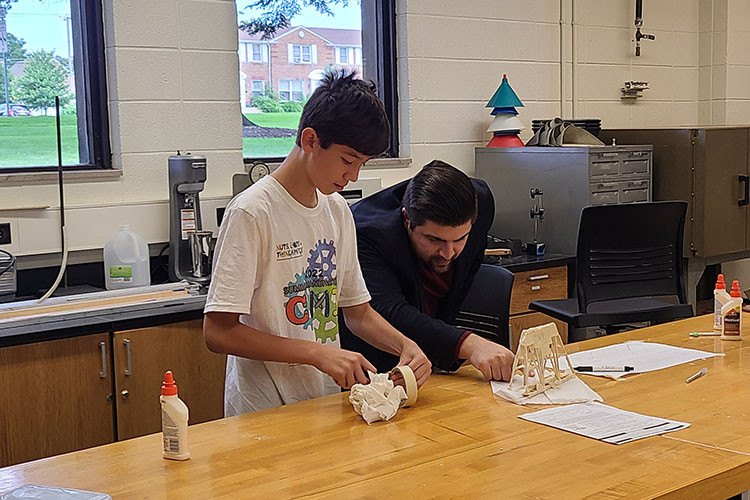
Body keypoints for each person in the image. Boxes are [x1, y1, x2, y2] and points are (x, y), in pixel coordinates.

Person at [203, 70, 431, 416]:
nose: (352, 176)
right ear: (310, 140)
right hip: (262, 410)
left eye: (362, 164)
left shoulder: (337, 210)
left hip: (322, 404)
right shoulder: (252, 213)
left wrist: (405, 345)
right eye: (347, 160)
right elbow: (218, 332)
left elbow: (357, 313)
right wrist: (317, 353)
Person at [340, 160, 515, 381]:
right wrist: (470, 344)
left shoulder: (481, 201)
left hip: (436, 358)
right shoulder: (368, 232)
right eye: (434, 239)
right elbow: (388, 310)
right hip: (375, 362)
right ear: (406, 220)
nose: (448, 253)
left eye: (460, 239)